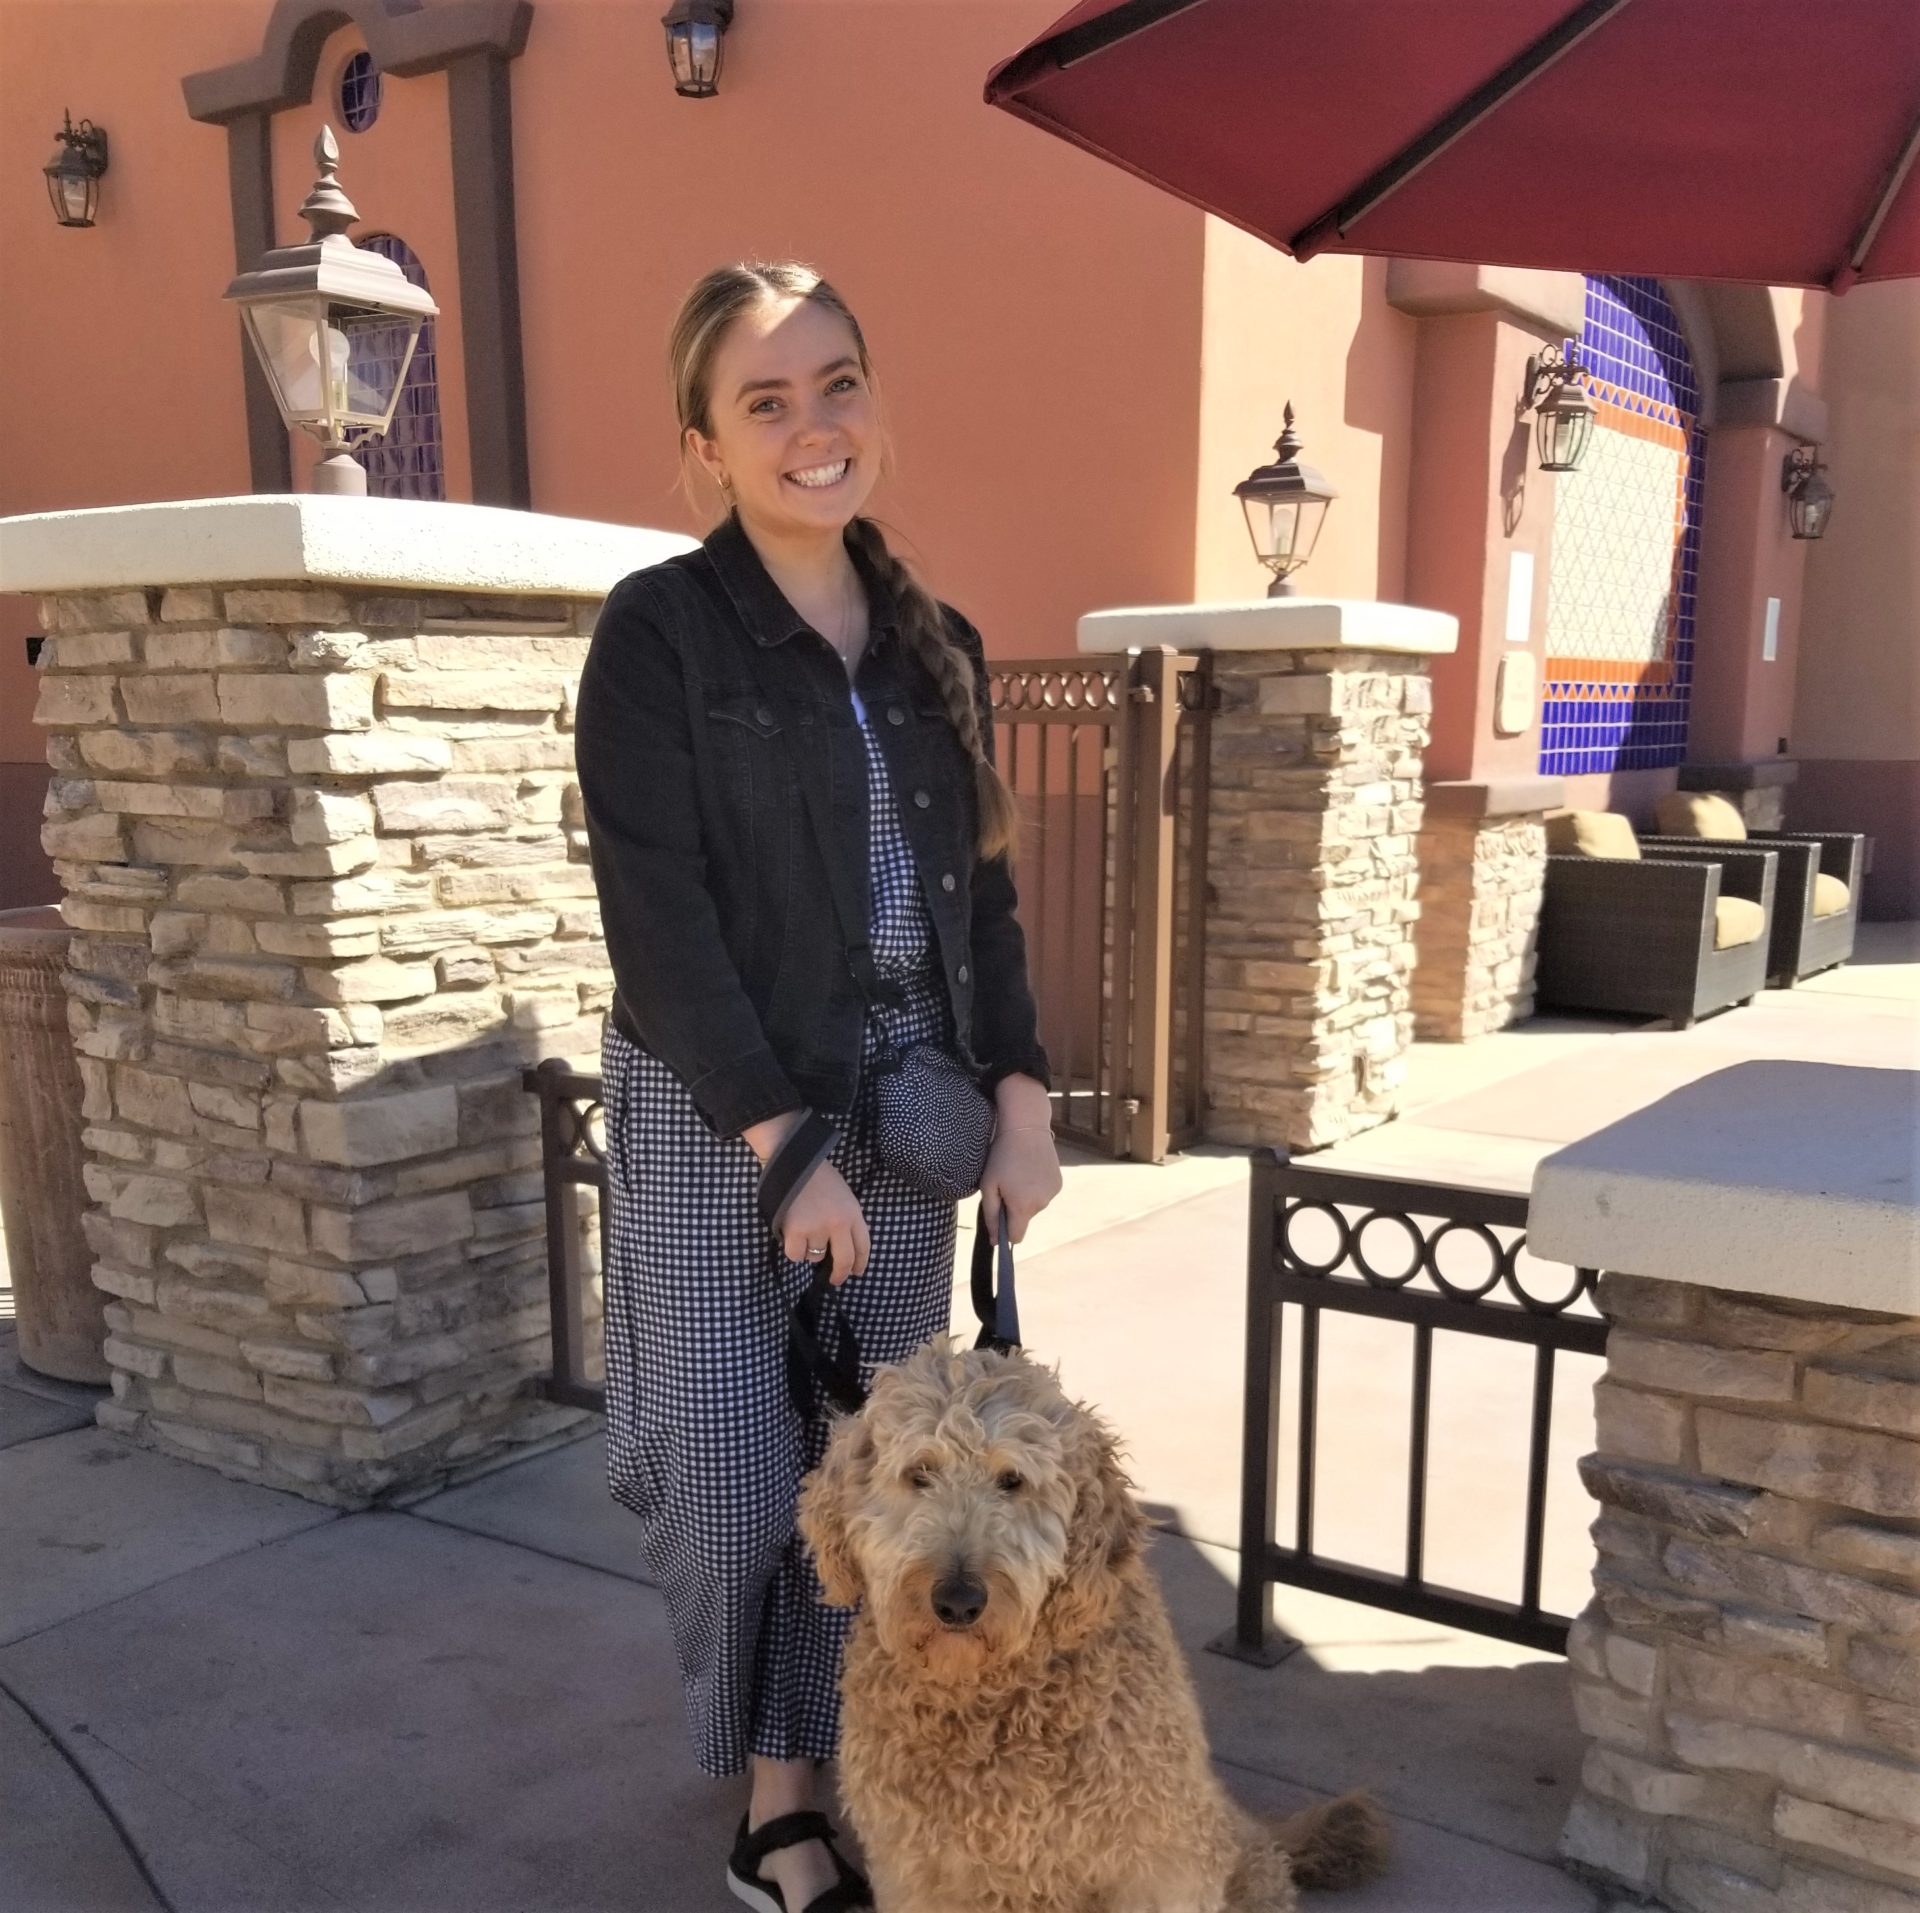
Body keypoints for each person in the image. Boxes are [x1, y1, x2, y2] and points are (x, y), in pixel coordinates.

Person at [573, 260, 1063, 1913]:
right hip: (731, 1119)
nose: (813, 426)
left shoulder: (946, 645)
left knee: (875, 1496)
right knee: (732, 1489)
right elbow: (657, 911)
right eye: (765, 401)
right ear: (702, 441)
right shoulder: (659, 633)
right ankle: (773, 1757)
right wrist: (788, 1147)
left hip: (909, 1129)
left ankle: (798, 1800)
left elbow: (983, 898)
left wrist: (1024, 1099)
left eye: (837, 382)